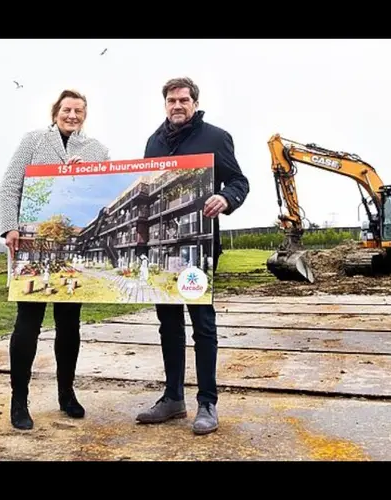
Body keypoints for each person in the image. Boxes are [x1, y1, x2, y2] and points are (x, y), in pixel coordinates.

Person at [135, 77, 249, 435]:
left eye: (184, 99)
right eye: (171, 100)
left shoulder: (216, 137)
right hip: (161, 251)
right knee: (168, 326)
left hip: (197, 252)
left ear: (195, 103)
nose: (177, 105)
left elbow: (240, 182)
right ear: (165, 104)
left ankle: (207, 403)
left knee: (202, 326)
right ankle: (172, 398)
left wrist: (226, 198)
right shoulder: (153, 142)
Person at [0, 89, 110, 430]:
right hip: (32, 244)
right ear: (55, 112)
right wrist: (9, 228)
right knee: (27, 325)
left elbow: (101, 193)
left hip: (72, 247)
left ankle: (66, 393)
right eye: (66, 109)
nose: (72, 115)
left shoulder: (98, 150)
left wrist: (86, 173)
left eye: (78, 110)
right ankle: (19, 400)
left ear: (85, 115)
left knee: (69, 325)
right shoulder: (33, 141)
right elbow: (10, 186)